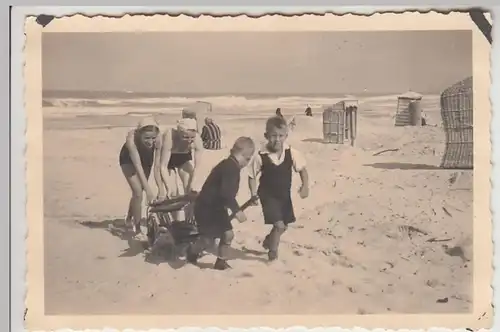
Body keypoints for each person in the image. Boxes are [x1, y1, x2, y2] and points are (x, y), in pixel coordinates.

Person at [187, 136, 256, 270]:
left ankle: (221, 262)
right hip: (206, 207)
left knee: (228, 234)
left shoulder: (230, 165)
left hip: (217, 208)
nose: (246, 163)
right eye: (247, 159)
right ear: (243, 155)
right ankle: (192, 252)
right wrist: (237, 211)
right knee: (208, 239)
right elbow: (226, 194)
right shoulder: (230, 168)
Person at [248, 116, 310, 262]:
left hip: (284, 196)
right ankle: (273, 253)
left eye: (281, 136)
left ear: (286, 136)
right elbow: (252, 176)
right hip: (267, 196)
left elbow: (302, 170)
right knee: (279, 225)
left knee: (284, 225)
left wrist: (305, 186)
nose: (277, 139)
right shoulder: (260, 156)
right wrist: (253, 193)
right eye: (273, 136)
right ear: (266, 136)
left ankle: (269, 240)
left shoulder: (291, 153)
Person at [119, 117, 163, 237]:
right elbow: (137, 166)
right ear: (139, 135)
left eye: (153, 138)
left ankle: (128, 218)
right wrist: (149, 191)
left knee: (139, 191)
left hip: (146, 158)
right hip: (128, 158)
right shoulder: (131, 140)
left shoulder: (159, 139)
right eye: (146, 138)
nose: (150, 141)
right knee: (138, 192)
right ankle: (137, 228)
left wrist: (161, 189)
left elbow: (157, 166)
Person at [158, 118, 203, 206]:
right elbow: (163, 166)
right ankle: (175, 219)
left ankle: (188, 218)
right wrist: (168, 187)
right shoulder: (169, 136)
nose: (189, 140)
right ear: (179, 133)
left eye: (192, 137)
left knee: (189, 191)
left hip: (183, 158)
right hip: (168, 160)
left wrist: (192, 183)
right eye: (185, 137)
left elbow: (197, 167)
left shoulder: (197, 140)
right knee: (173, 192)